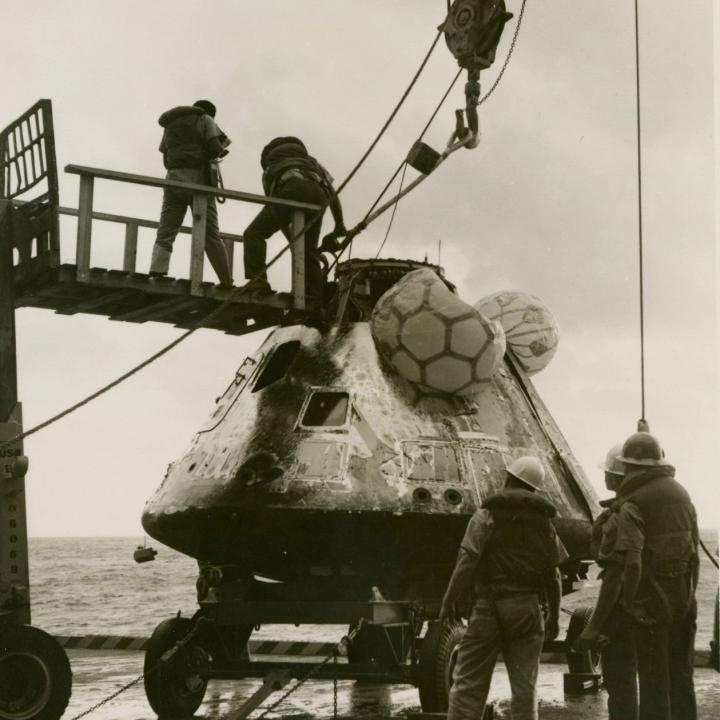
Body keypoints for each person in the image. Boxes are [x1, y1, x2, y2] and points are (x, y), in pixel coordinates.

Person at [439, 456, 567, 720]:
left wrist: (448, 600)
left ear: (508, 478)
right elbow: (553, 575)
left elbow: (467, 561)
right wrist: (554, 615)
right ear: (534, 489)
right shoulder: (545, 524)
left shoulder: (486, 514)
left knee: (468, 684)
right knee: (525, 688)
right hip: (528, 609)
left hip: (489, 606)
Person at [612, 431, 699, 720]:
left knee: (653, 684)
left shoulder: (633, 502)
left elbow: (633, 562)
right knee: (681, 677)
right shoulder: (682, 493)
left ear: (629, 466)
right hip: (684, 602)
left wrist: (628, 602)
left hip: (650, 606)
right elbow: (694, 557)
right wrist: (687, 596)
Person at [242, 136, 345, 304]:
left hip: (292, 190)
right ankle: (313, 298)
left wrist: (292, 241)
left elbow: (275, 206)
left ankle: (258, 282)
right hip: (318, 197)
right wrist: (339, 223)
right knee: (308, 250)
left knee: (254, 234)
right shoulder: (312, 162)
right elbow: (332, 193)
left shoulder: (270, 168)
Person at [577, 444, 639, 720]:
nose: (604, 477)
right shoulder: (643, 508)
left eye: (608, 472)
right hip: (648, 605)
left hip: (623, 609)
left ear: (615, 478)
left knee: (619, 679)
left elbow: (614, 577)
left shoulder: (619, 515)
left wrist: (594, 626)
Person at [149, 100, 233, 286]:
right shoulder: (205, 119)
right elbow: (214, 147)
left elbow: (165, 157)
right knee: (210, 233)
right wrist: (220, 151)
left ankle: (157, 270)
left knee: (167, 228)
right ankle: (226, 281)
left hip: (173, 178)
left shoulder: (171, 124)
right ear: (210, 113)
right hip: (198, 181)